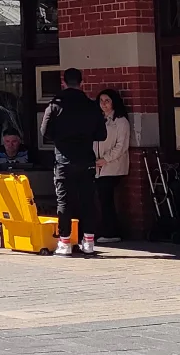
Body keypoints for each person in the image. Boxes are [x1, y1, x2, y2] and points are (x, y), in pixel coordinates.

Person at [39, 67, 107, 256]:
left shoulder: (55, 105)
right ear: (82, 82)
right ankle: (89, 241)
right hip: (86, 158)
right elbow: (102, 134)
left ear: (63, 82)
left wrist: (61, 138)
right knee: (87, 199)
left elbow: (45, 132)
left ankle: (65, 242)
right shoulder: (92, 105)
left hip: (63, 159)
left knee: (64, 200)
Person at [94, 88, 131, 245]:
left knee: (107, 199)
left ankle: (112, 232)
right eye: (101, 101)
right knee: (102, 199)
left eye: (107, 101)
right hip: (98, 165)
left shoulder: (121, 121)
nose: (104, 104)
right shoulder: (99, 119)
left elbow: (121, 146)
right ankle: (104, 229)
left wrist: (106, 159)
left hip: (113, 166)